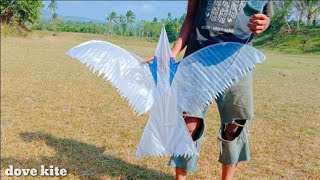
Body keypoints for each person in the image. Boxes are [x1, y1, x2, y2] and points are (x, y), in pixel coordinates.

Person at [144, 0, 273, 179]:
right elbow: (191, 17)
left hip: (237, 60)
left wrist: (263, 23)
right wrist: (172, 52)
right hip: (198, 58)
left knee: (234, 127)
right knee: (188, 126)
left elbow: (265, 16)